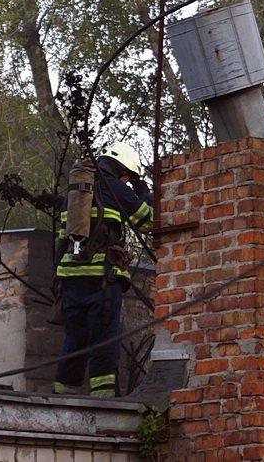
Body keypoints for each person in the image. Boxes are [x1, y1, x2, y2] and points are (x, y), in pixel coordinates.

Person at [53, 142, 154, 397]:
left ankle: (64, 392)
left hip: (71, 276)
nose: (127, 180)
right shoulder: (116, 188)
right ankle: (104, 396)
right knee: (104, 336)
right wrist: (143, 192)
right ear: (123, 171)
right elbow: (148, 221)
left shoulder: (74, 193)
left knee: (75, 335)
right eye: (129, 176)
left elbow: (63, 237)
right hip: (102, 276)